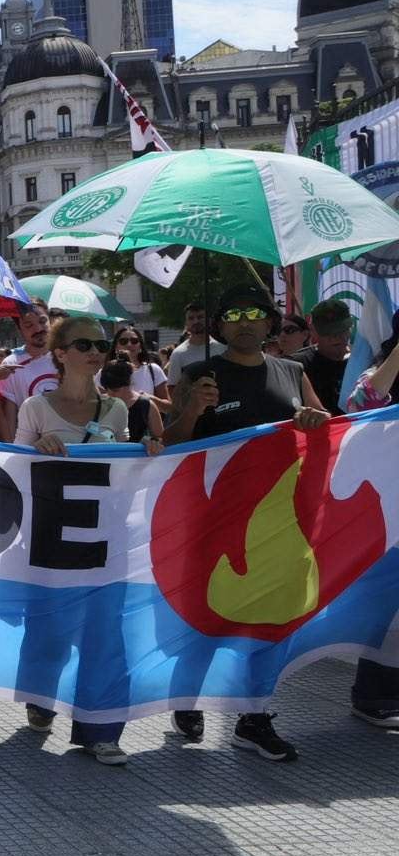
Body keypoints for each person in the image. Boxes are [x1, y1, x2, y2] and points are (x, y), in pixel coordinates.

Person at [164, 286, 330, 761]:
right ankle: (186, 694)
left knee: (270, 620)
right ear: (218, 325)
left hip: (279, 523)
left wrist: (312, 420)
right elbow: (167, 444)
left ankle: (253, 719)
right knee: (207, 615)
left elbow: (328, 427)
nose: (245, 322)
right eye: (233, 313)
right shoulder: (198, 372)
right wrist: (194, 409)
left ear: (270, 322)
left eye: (255, 313)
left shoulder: (293, 372)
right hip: (212, 518)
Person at [11, 316, 161, 765]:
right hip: (50, 536)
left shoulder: (115, 410)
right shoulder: (35, 408)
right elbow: (13, 467)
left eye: (102, 343)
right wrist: (37, 449)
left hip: (105, 538)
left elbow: (124, 475)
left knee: (105, 633)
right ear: (60, 353)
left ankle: (101, 728)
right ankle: (40, 696)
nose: (96, 351)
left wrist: (148, 451)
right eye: (84, 344)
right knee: (50, 631)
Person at [343, 329, 399, 729]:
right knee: (387, 608)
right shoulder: (377, 376)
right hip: (389, 513)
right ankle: (373, 694)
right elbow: (360, 404)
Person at [0, 306, 56, 444]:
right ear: (19, 330)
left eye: (43, 321)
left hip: (72, 447)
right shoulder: (11, 364)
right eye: (29, 325)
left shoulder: (69, 356)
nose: (38, 329)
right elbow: (10, 419)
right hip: (32, 450)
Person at [294, 298, 355, 413]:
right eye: (327, 332)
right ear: (313, 331)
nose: (335, 337)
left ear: (351, 327)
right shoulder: (297, 366)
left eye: (341, 330)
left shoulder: (364, 362)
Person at [99, 360, 164, 445]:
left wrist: (149, 441)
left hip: (136, 457)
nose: (110, 394)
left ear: (128, 384)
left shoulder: (146, 405)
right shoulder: (99, 403)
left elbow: (160, 439)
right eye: (106, 389)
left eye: (116, 390)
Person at [108, 324, 171, 403]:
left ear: (140, 346)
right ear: (116, 346)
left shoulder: (154, 370)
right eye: (123, 341)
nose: (129, 344)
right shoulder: (105, 372)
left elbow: (168, 407)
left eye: (134, 341)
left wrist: (147, 399)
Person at [165, 301, 226, 378]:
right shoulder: (178, 354)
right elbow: (172, 387)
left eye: (200, 317)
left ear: (209, 320)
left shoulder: (223, 349)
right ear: (186, 323)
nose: (196, 321)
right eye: (191, 318)